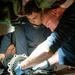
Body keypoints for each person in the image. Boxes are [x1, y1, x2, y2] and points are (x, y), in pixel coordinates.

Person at [14, 0, 75, 75]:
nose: (51, 30)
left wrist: (22, 66)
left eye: (48, 24)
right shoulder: (68, 31)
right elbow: (63, 54)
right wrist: (46, 63)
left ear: (55, 12)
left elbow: (47, 49)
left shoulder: (71, 15)